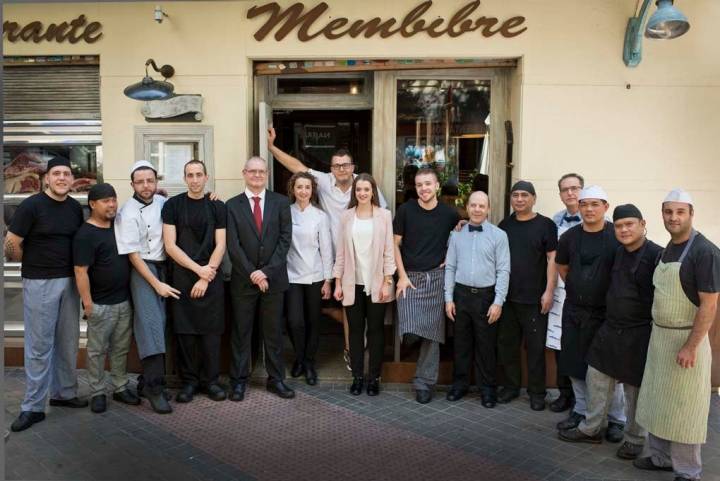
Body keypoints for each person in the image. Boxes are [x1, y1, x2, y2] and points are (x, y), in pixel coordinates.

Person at [268, 127, 387, 368]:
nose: (341, 169)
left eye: (345, 165)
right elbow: (296, 167)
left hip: (361, 257)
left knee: (352, 307)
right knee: (343, 305)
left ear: (353, 166)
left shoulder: (364, 186)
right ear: (331, 168)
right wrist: (271, 148)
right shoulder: (322, 181)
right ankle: (349, 351)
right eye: (336, 165)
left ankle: (349, 351)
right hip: (329, 258)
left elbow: (384, 220)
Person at [559, 204, 662, 460]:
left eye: (629, 224)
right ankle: (592, 428)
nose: (624, 230)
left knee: (633, 389)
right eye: (619, 226)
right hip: (610, 326)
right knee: (596, 376)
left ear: (642, 224)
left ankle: (635, 439)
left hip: (639, 331)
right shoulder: (617, 252)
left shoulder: (656, 255)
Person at [634, 189, 720, 481]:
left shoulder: (704, 252)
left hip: (686, 342)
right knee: (658, 401)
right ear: (662, 214)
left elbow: (709, 304)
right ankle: (659, 457)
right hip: (661, 338)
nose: (674, 217)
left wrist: (691, 345)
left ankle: (688, 471)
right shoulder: (666, 250)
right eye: (669, 212)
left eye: (680, 212)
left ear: (691, 214)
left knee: (685, 409)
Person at [7, 156, 87, 432]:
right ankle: (32, 406)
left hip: (69, 282)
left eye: (66, 173)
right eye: (56, 174)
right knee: (39, 346)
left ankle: (64, 393)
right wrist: (25, 261)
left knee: (67, 341)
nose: (62, 178)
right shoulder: (32, 205)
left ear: (71, 179)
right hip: (40, 282)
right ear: (46, 179)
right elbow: (12, 242)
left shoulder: (75, 208)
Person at [555, 185, 626, 442]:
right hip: (574, 310)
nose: (589, 209)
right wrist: (579, 286)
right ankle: (581, 410)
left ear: (606, 207)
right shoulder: (569, 237)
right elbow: (562, 266)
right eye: (585, 204)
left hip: (607, 315)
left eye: (595, 204)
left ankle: (618, 419)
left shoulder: (617, 237)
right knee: (575, 364)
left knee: (610, 369)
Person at [226, 156, 294, 400]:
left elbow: (285, 240)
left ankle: (276, 380)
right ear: (244, 173)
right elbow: (233, 246)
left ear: (267, 174)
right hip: (243, 281)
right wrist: (254, 274)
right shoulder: (231, 205)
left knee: (273, 333)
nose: (257, 175)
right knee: (241, 332)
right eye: (252, 171)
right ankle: (238, 381)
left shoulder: (281, 202)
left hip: (274, 280)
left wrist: (266, 272)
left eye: (261, 171)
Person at [115, 160, 178, 414]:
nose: (145, 186)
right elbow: (133, 256)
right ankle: (154, 387)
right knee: (150, 326)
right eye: (139, 182)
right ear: (132, 184)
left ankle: (144, 383)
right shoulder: (126, 212)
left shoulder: (164, 202)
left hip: (165, 267)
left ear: (156, 182)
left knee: (160, 325)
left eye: (150, 181)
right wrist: (157, 284)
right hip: (143, 271)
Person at [162, 160, 227, 403]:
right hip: (183, 275)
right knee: (186, 333)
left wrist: (207, 273)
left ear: (206, 177)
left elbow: (221, 243)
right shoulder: (172, 205)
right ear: (184, 177)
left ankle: (211, 382)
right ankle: (188, 382)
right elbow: (170, 246)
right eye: (190, 175)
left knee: (211, 333)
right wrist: (198, 271)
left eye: (199, 174)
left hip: (211, 275)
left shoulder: (218, 206)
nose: (195, 179)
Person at [394, 168, 460, 404]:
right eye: (420, 184)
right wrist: (401, 276)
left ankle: (424, 382)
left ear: (437, 186)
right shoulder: (406, 210)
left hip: (436, 278)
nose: (424, 188)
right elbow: (395, 244)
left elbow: (460, 233)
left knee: (432, 335)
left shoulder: (449, 214)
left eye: (428, 184)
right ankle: (415, 353)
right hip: (409, 277)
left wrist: (449, 256)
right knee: (409, 329)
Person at [73, 183, 140, 413]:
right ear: (92, 204)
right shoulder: (85, 234)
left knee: (121, 349)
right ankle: (97, 392)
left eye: (113, 199)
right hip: (100, 305)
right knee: (96, 351)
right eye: (106, 201)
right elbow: (80, 271)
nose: (112, 204)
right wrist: (88, 303)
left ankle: (120, 387)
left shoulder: (118, 225)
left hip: (123, 302)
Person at [444, 191, 510, 408]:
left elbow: (503, 270)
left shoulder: (499, 236)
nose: (477, 209)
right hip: (461, 295)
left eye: (482, 206)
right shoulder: (456, 235)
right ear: (467, 207)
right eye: (473, 205)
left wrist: (498, 301)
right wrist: (448, 298)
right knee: (461, 344)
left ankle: (487, 389)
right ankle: (460, 385)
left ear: (488, 209)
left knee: (486, 346)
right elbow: (450, 267)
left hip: (486, 297)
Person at [333, 173, 396, 396]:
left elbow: (389, 251)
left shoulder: (384, 216)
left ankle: (374, 378)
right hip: (353, 284)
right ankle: (358, 376)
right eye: (358, 190)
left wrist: (388, 280)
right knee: (356, 332)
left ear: (373, 192)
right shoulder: (346, 217)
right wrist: (337, 282)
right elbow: (340, 253)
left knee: (377, 332)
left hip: (378, 283)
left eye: (366, 190)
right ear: (354, 192)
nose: (362, 193)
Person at [497, 181, 558, 411]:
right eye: (515, 195)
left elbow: (553, 259)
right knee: (508, 346)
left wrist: (549, 291)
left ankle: (537, 392)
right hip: (508, 298)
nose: (519, 199)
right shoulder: (504, 225)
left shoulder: (546, 225)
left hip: (535, 300)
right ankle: (511, 387)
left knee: (535, 348)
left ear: (533, 198)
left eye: (524, 195)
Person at [286, 172, 333, 386]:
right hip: (291, 276)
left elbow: (326, 249)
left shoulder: (320, 216)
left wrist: (328, 280)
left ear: (312, 190)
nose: (303, 191)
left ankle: (309, 362)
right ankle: (299, 357)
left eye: (307, 187)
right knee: (295, 321)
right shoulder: (285, 213)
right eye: (299, 187)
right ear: (293, 190)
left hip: (315, 275)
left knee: (314, 321)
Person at [549, 172, 585, 413]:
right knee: (558, 343)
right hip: (560, 292)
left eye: (575, 188)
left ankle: (582, 401)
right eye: (565, 189)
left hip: (585, 293)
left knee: (580, 345)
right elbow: (552, 259)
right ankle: (564, 393)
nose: (570, 193)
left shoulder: (597, 218)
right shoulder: (556, 220)